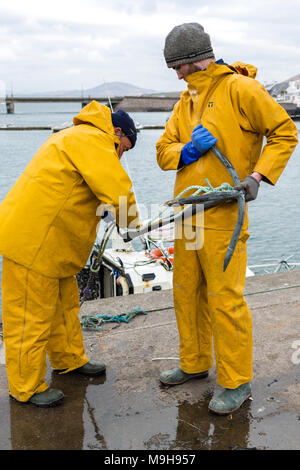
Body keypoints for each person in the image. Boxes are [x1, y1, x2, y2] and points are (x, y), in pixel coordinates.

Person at [156, 23, 298, 414]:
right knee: (186, 293)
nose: (176, 75)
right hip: (188, 214)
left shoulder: (242, 90)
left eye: (178, 67)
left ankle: (236, 381)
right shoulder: (185, 101)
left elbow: (285, 133)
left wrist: (258, 176)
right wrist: (186, 151)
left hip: (224, 216)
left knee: (225, 299)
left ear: (191, 60)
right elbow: (162, 151)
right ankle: (195, 362)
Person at [0, 101, 140, 407]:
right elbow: (117, 186)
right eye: (124, 148)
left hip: (53, 247)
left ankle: (69, 360)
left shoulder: (75, 136)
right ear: (117, 132)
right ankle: (25, 387)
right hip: (32, 245)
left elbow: (79, 187)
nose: (120, 155)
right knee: (29, 319)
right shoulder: (92, 139)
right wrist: (129, 224)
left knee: (65, 308)